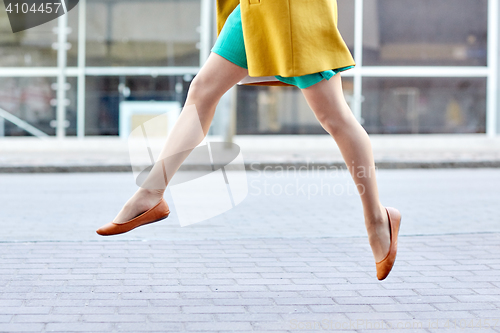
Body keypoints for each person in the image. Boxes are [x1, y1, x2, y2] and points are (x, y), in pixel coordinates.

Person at [96, 0, 402, 280]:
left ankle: (377, 220)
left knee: (334, 116)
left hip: (293, 8)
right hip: (254, 7)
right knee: (202, 92)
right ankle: (150, 193)